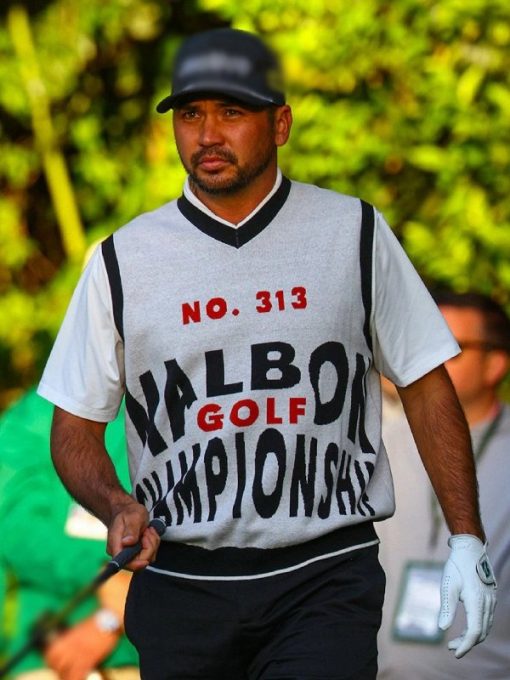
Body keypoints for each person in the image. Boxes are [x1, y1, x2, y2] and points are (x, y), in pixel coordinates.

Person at [36, 27, 496, 680]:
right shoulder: (121, 260)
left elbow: (424, 381)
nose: (208, 134)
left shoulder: (353, 233)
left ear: (280, 123)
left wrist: (466, 538)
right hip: (180, 581)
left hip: (323, 574)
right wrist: (115, 504)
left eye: (232, 111)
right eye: (191, 114)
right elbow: (75, 425)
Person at [377, 290, 510, 679]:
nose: (429, 357)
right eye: (424, 342)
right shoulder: (381, 439)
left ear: (495, 365)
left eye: (449, 347)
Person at [0, 388, 140, 680]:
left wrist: (110, 620)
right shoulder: (34, 414)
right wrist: (101, 574)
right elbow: (14, 527)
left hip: (151, 653)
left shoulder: (171, 404)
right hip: (48, 659)